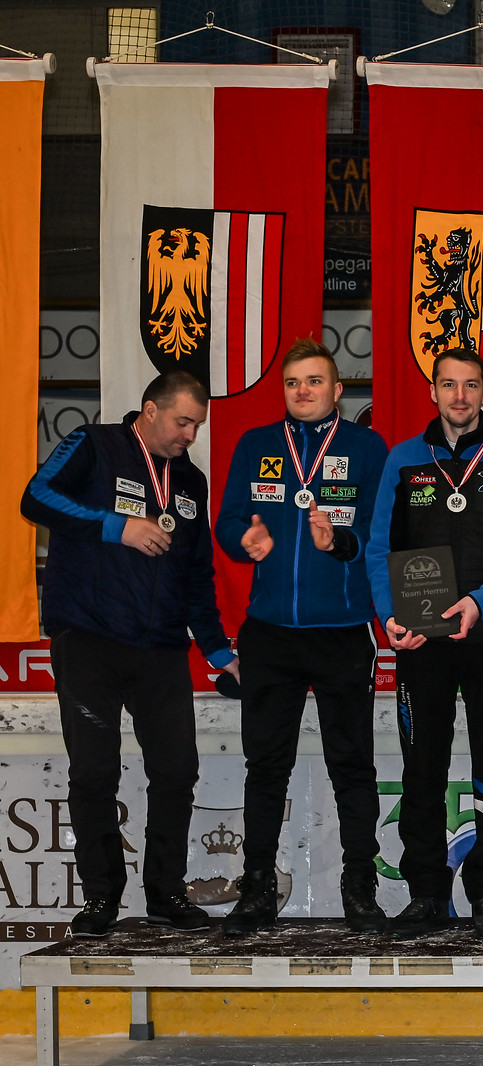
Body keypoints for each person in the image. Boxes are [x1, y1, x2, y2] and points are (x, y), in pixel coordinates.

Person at [21, 369, 238, 936]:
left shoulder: (190, 482)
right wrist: (116, 527)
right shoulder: (94, 445)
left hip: (161, 647)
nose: (190, 435)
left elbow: (197, 576)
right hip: (89, 639)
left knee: (177, 770)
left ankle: (166, 893)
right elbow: (34, 497)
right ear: (149, 409)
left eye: (197, 425)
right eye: (182, 421)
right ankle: (100, 900)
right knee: (94, 773)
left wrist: (217, 651)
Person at [367, 349, 483, 940]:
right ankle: (425, 891)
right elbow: (378, 550)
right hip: (420, 643)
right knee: (422, 765)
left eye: (470, 385)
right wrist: (388, 617)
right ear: (433, 391)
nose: (459, 396)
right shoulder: (403, 462)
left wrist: (480, 603)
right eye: (448, 384)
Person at [214, 338, 391, 937]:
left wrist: (338, 544)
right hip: (269, 635)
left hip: (341, 632)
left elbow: (378, 529)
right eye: (294, 382)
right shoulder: (258, 445)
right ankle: (257, 887)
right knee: (266, 766)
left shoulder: (367, 448)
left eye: (315, 381)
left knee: (352, 766)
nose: (303, 391)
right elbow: (229, 518)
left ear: (338, 390)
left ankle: (359, 887)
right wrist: (245, 541)